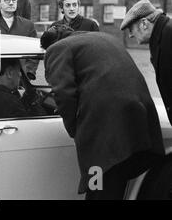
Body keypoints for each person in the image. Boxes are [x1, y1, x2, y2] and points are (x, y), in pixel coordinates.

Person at [40, 26, 164, 200]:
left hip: (103, 127)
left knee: (98, 180)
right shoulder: (105, 37)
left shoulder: (58, 49)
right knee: (115, 178)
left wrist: (74, 128)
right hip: (138, 117)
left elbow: (63, 93)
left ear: (50, 45)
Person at [120, 0, 172, 125]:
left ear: (144, 23)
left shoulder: (169, 35)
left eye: (131, 29)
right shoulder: (162, 35)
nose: (130, 35)